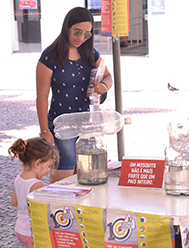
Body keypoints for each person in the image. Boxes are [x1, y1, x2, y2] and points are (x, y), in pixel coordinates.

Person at [36, 7, 113, 183]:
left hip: (88, 122)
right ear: (67, 28)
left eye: (87, 34)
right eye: (77, 32)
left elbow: (108, 76)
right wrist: (44, 131)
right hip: (62, 124)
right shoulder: (49, 57)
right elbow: (41, 96)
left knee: (89, 172)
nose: (81, 38)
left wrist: (103, 85)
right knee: (64, 173)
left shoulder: (90, 53)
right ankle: (60, 210)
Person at [9, 137, 59, 248]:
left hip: (20, 229)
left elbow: (14, 202)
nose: (48, 170)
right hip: (32, 231)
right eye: (48, 166)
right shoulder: (37, 185)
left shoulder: (18, 178)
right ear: (37, 163)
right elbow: (43, 211)